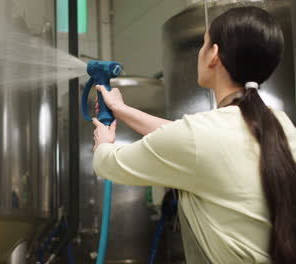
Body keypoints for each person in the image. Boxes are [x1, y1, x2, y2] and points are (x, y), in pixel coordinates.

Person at [92, 6, 296, 264]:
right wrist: (122, 110)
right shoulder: (281, 123)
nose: (200, 51)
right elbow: (185, 139)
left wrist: (103, 143)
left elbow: (109, 164)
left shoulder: (202, 136)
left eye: (204, 43)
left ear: (214, 54)